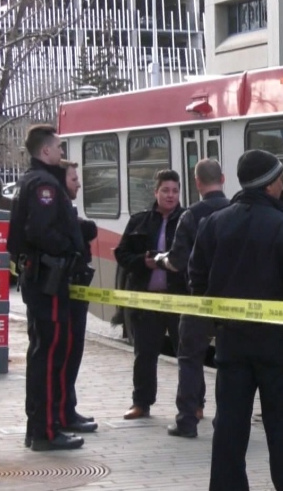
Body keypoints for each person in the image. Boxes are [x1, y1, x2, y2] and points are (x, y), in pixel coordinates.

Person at [189, 149, 283, 491]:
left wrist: (219, 322)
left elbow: (196, 278)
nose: (282, 183)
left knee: (230, 426)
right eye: (279, 178)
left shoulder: (214, 223)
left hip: (232, 344)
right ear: (270, 184)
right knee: (282, 429)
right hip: (280, 347)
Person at [7, 124, 87, 451]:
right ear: (45, 151)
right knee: (50, 354)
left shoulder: (32, 180)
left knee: (43, 352)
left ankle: (40, 427)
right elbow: (40, 231)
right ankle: (46, 431)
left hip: (40, 278)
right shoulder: (44, 184)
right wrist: (68, 250)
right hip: (48, 281)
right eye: (59, 147)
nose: (61, 153)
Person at [153, 159, 230, 438]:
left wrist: (160, 260)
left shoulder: (191, 216)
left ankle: (187, 420)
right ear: (222, 178)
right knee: (228, 361)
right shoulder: (236, 211)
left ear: (197, 183)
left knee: (190, 358)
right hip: (232, 302)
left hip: (197, 299)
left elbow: (177, 261)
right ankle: (227, 419)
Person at [113, 169, 184, 420]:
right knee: (144, 354)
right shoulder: (140, 221)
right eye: (165, 190)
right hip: (146, 299)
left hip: (179, 299)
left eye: (175, 191)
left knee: (186, 355)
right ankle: (141, 403)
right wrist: (143, 262)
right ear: (156, 192)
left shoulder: (188, 220)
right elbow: (121, 254)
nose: (170, 195)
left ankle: (193, 404)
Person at [58, 160, 99, 434]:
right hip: (65, 293)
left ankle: (67, 409)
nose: (79, 184)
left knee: (73, 354)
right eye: (74, 179)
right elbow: (86, 230)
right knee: (66, 354)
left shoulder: (65, 210)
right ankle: (63, 413)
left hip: (74, 291)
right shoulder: (58, 211)